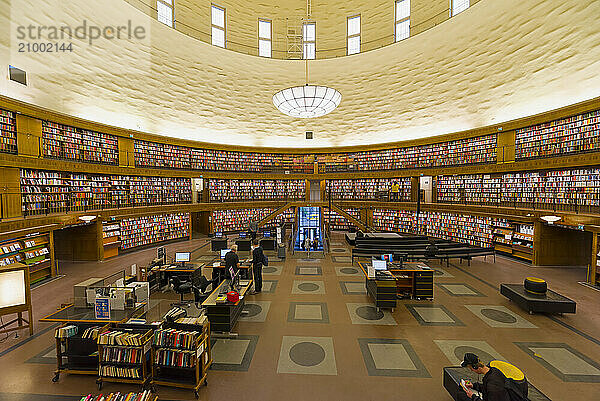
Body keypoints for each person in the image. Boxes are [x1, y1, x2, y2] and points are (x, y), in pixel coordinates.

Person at [458, 353, 528, 401]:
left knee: (462, 396)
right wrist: (473, 386)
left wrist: (473, 397)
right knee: (462, 391)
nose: (472, 371)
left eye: (471, 369)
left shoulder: (493, 384)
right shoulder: (493, 371)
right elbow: (488, 389)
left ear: (475, 367)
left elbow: (492, 390)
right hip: (501, 396)